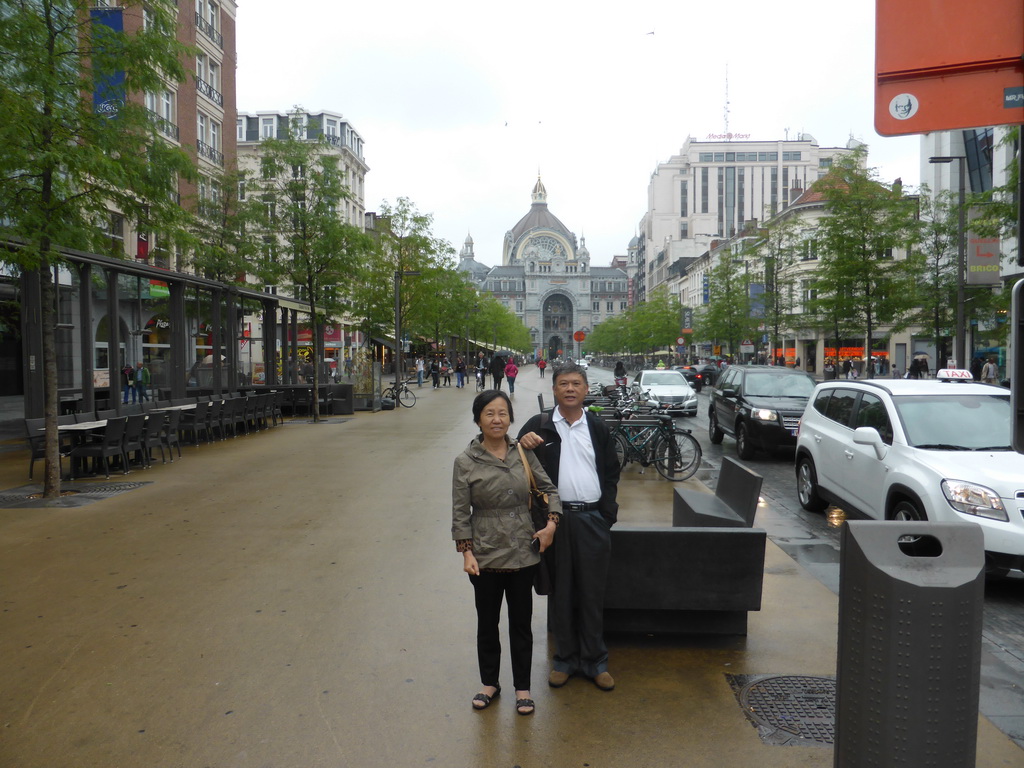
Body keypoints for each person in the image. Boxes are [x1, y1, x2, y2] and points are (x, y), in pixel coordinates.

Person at [452, 390, 560, 716]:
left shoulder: (523, 455)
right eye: (489, 413)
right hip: (485, 553)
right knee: (487, 622)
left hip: (522, 551)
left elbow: (549, 490)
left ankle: (523, 688)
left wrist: (551, 525)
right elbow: (460, 513)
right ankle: (490, 683)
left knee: (520, 624)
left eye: (502, 413)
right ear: (478, 419)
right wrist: (466, 553)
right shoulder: (465, 462)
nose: (497, 419)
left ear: (510, 417)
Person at [517, 362, 621, 692]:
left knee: (592, 592)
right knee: (561, 591)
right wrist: (521, 442)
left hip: (592, 519)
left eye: (576, 383)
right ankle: (564, 659)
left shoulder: (597, 427)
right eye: (564, 384)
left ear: (586, 389)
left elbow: (611, 472)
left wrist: (606, 515)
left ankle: (595, 661)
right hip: (555, 522)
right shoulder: (541, 425)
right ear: (555, 389)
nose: (570, 389)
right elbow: (510, 459)